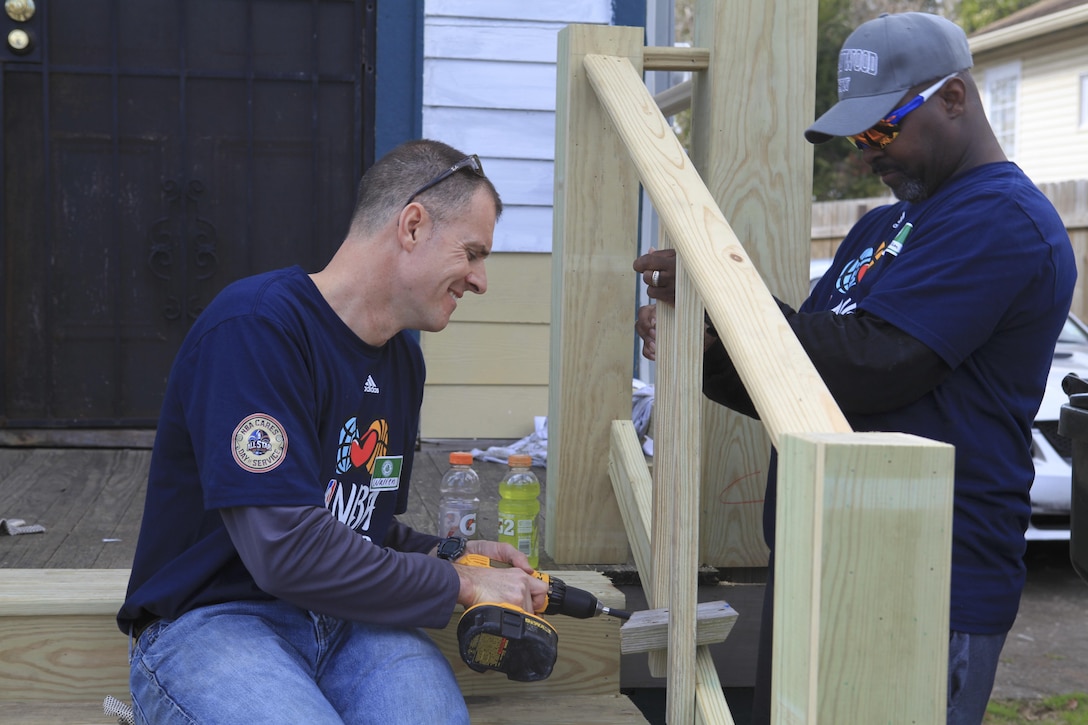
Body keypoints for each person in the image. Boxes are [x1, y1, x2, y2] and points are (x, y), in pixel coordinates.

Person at [633, 12, 1076, 725]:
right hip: (822, 553)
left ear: (954, 99)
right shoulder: (881, 227)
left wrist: (727, 297)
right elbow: (802, 373)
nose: (866, 154)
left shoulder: (1003, 220)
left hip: (925, 576)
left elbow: (879, 363)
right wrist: (708, 342)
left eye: (879, 131)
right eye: (857, 136)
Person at [118, 139, 549, 725]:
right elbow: (287, 550)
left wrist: (461, 554)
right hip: (213, 622)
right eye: (472, 253)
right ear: (414, 226)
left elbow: (364, 532)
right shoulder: (256, 328)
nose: (481, 280)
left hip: (350, 624)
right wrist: (458, 585)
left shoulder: (402, 363)